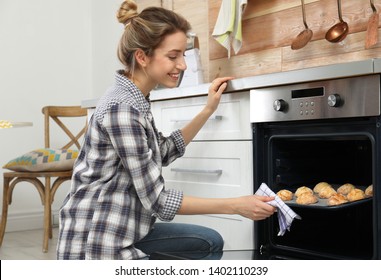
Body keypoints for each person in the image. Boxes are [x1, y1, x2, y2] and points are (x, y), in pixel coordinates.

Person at [56, 0, 276, 260]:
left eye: (183, 54)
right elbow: (158, 201)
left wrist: (207, 110)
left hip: (126, 228)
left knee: (208, 242)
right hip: (98, 243)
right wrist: (236, 205)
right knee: (207, 244)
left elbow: (163, 151)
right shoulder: (122, 109)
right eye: (173, 56)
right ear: (142, 56)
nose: (182, 64)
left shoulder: (135, 99)